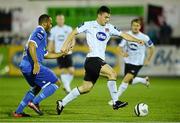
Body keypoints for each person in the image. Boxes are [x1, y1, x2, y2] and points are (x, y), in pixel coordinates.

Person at [55, 6, 145, 115]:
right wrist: (65, 45)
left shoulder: (110, 27)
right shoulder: (89, 24)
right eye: (105, 17)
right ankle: (115, 102)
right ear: (99, 15)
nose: (107, 20)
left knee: (86, 88)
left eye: (109, 18)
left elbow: (124, 35)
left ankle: (62, 102)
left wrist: (137, 40)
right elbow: (73, 33)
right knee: (112, 73)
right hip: (92, 59)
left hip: (96, 61)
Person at [13, 14, 68, 117]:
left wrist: (61, 54)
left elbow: (46, 54)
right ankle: (35, 102)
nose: (51, 25)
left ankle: (18, 111)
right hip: (31, 65)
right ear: (44, 23)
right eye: (50, 23)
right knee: (56, 82)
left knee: (36, 87)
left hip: (25, 66)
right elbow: (31, 45)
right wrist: (36, 63)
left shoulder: (42, 34)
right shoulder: (40, 31)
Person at [109, 18, 155, 105]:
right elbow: (119, 47)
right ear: (131, 26)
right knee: (129, 81)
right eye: (134, 25)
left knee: (125, 80)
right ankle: (144, 80)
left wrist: (148, 59)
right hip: (128, 61)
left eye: (137, 25)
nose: (135, 27)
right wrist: (123, 54)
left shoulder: (145, 37)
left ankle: (115, 100)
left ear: (140, 27)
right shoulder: (127, 35)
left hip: (138, 63)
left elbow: (152, 47)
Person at [48, 14, 75, 93]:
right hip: (59, 53)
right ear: (56, 20)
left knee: (71, 70)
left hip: (68, 52)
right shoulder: (53, 30)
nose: (60, 20)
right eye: (59, 19)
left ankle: (66, 85)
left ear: (64, 20)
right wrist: (49, 48)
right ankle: (67, 88)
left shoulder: (68, 28)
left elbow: (72, 39)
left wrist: (72, 46)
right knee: (63, 70)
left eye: (61, 19)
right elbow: (51, 41)